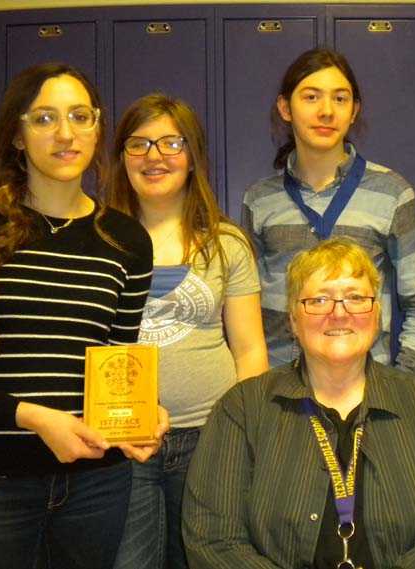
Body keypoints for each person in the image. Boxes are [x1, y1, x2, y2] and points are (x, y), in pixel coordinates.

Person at [0, 63, 165, 569]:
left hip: (96, 485)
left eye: (80, 116)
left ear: (97, 126)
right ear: (17, 136)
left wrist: (144, 410)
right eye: (43, 119)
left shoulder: (127, 241)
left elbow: (116, 366)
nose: (65, 134)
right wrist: (31, 418)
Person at [183, 237, 415, 569]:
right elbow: (212, 539)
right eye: (319, 300)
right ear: (293, 319)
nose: (338, 313)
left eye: (355, 297)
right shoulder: (244, 409)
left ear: (376, 314)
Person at [108, 93, 268, 569]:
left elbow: (250, 349)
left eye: (171, 143)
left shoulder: (227, 243)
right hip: (123, 441)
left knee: (201, 560)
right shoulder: (101, 240)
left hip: (209, 437)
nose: (154, 157)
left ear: (193, 156)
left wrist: (241, 435)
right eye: (139, 144)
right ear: (121, 158)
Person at [242, 47, 415, 376]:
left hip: (365, 388)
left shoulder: (392, 193)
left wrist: (400, 384)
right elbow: (244, 310)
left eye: (340, 98)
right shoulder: (260, 200)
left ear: (354, 110)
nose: (326, 112)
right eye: (311, 97)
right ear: (284, 108)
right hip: (279, 390)